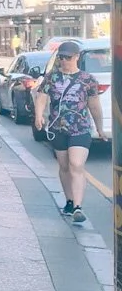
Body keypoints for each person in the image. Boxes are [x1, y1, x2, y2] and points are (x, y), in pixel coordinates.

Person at [33, 42, 105, 225]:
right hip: (58, 128)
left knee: (76, 164)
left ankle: (78, 207)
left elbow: (94, 106)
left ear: (77, 57)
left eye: (68, 57)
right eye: (61, 57)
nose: (64, 61)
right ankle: (70, 201)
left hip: (80, 128)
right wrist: (39, 116)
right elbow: (42, 97)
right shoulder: (52, 77)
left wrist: (100, 127)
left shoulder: (87, 79)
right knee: (64, 166)